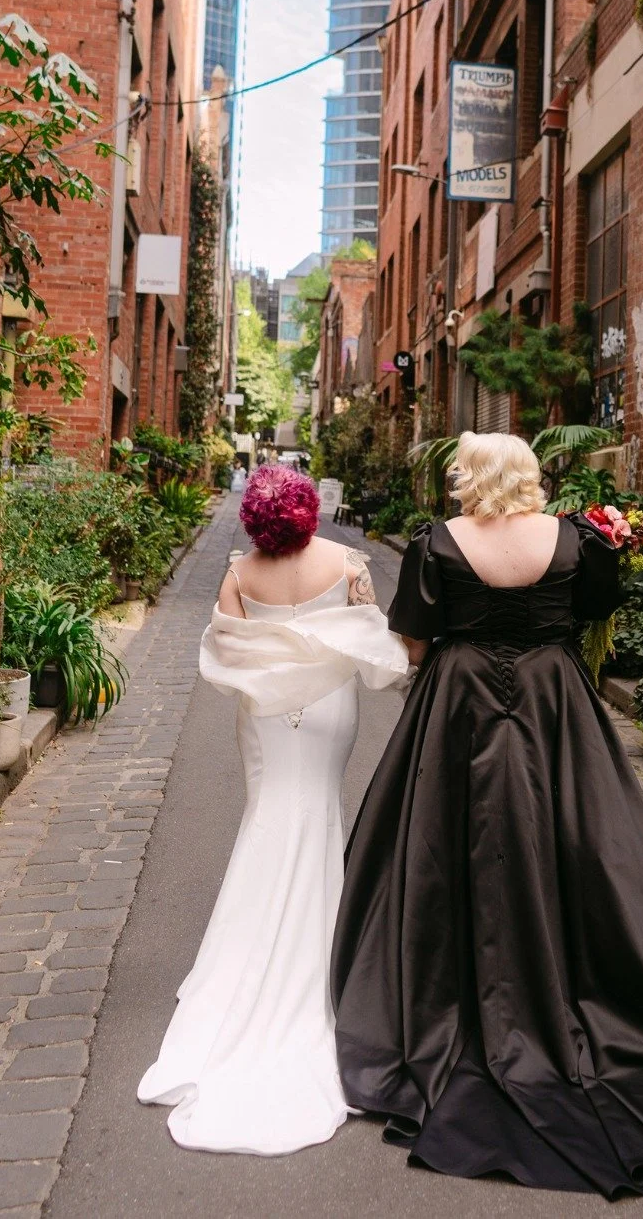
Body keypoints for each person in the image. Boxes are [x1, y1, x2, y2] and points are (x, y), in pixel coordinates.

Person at [331, 432, 643, 1198]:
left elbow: (414, 648)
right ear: (528, 476)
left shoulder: (437, 543)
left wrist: (370, 617)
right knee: (580, 842)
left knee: (448, 846)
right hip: (554, 700)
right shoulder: (578, 540)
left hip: (460, 705)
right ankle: (583, 984)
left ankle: (449, 1000)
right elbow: (593, 612)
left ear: (474, 477)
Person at [138, 464, 408, 1154]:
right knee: (318, 814)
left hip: (265, 718)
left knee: (266, 819)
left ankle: (246, 959)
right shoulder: (347, 562)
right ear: (308, 509)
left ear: (257, 518)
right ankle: (321, 963)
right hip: (327, 715)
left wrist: (273, 661)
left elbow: (224, 645)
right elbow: (376, 635)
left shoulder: (239, 572)